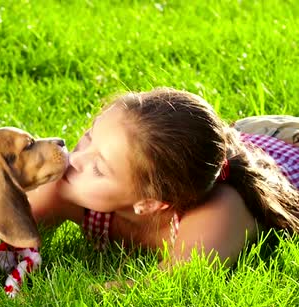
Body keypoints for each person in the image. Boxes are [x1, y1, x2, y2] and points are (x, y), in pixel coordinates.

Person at [26, 87, 299, 272]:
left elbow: (174, 279)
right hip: (246, 135)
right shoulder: (70, 183)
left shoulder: (219, 212)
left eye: (98, 168)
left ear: (150, 203)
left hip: (287, 153)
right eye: (88, 137)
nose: (75, 159)